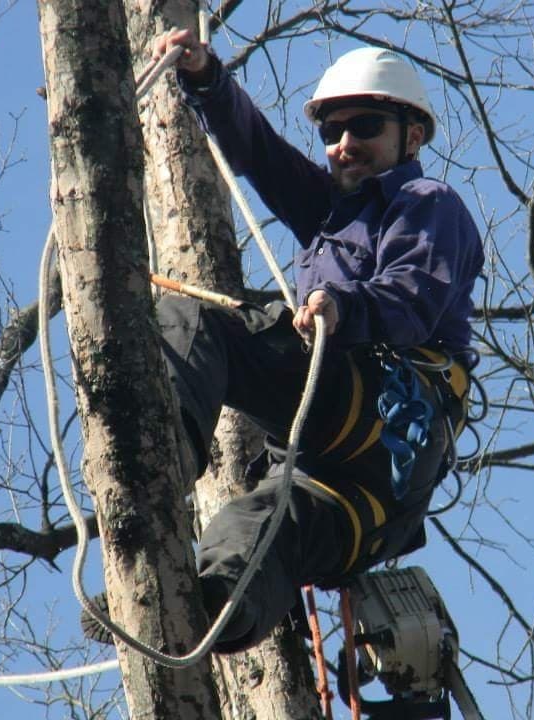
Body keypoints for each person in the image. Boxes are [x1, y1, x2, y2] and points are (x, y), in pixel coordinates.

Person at [83, 30, 485, 654]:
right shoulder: (329, 212)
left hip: (385, 411)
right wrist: (207, 79)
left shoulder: (425, 202)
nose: (344, 145)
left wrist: (343, 306)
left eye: (366, 127)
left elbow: (412, 298)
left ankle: (154, 454)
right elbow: (262, 156)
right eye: (331, 132)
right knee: (259, 527)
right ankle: (200, 613)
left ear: (413, 135)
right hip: (363, 499)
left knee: (202, 322)